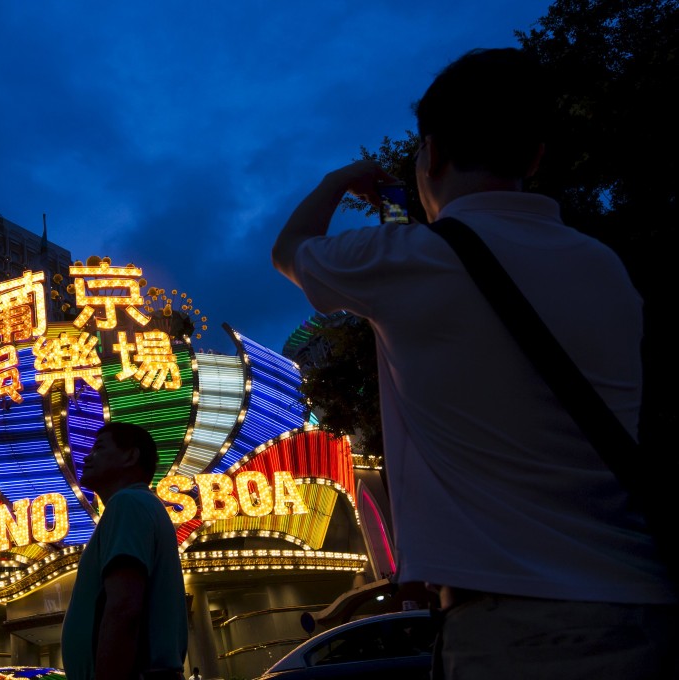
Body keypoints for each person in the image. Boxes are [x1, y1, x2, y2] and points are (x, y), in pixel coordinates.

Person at [272, 47, 678, 679]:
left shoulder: (411, 259)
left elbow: (289, 251)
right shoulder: (605, 267)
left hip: (519, 627)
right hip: (649, 602)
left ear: (430, 153)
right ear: (535, 156)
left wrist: (336, 183)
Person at [61, 422, 188, 680]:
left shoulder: (127, 503)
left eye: (99, 448)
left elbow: (124, 606)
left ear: (131, 456)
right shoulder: (141, 504)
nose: (87, 456)